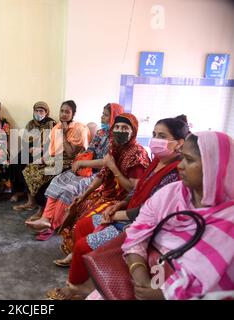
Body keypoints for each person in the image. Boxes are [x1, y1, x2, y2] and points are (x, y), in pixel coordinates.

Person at [47, 115, 189, 300]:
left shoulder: (174, 172)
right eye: (154, 134)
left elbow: (150, 208)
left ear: (179, 143)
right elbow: (138, 191)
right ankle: (87, 278)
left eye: (162, 136)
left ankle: (75, 288)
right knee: (82, 224)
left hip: (138, 224)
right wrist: (120, 204)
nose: (155, 140)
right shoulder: (156, 161)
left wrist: (117, 214)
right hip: (124, 206)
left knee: (83, 244)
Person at [85, 131, 234, 300]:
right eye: (182, 157)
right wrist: (141, 277)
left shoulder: (229, 221)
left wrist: (166, 295)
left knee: (88, 236)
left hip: (180, 293)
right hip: (140, 277)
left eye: (190, 160)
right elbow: (136, 233)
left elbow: (220, 285)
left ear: (215, 165)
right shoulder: (171, 194)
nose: (181, 166)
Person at [57, 113, 150, 265]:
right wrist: (84, 194)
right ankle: (77, 251)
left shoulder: (137, 155)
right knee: (79, 205)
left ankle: (82, 255)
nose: (120, 130)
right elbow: (102, 174)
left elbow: (133, 189)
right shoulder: (115, 147)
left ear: (133, 131)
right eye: (117, 127)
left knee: (87, 217)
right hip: (106, 192)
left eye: (125, 128)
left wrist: (114, 167)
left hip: (122, 201)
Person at [25, 103, 124, 240]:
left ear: (114, 117)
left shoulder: (116, 140)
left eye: (106, 115)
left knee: (69, 189)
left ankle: (52, 226)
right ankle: (45, 217)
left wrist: (82, 163)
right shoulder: (101, 133)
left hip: (99, 174)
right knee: (57, 181)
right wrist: (81, 161)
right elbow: (90, 150)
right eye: (102, 113)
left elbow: (105, 163)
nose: (102, 117)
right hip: (85, 167)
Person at [18, 100, 90, 237]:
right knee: (30, 169)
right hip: (54, 159)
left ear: (73, 114)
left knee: (42, 176)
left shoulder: (80, 129)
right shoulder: (56, 127)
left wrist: (63, 134)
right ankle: (38, 205)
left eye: (67, 112)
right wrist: (43, 157)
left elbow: (71, 153)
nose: (63, 114)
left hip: (69, 162)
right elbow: (50, 148)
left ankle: (42, 211)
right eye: (62, 111)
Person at [9, 101, 56, 206]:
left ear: (46, 112)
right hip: (30, 150)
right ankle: (19, 192)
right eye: (36, 110)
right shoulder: (30, 124)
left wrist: (40, 149)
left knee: (27, 165)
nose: (38, 113)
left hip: (45, 152)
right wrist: (29, 148)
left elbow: (54, 143)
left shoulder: (51, 123)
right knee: (14, 163)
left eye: (41, 111)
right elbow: (25, 141)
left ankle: (31, 197)